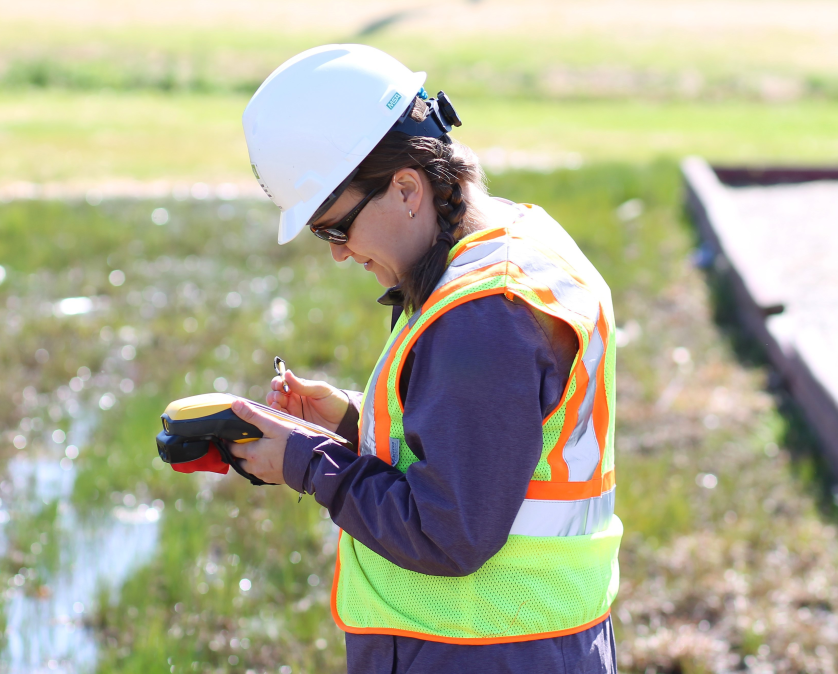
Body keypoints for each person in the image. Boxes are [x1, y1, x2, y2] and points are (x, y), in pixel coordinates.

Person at [228, 44, 620, 674]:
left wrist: (307, 463)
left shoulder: (484, 317)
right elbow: (498, 450)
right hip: (526, 645)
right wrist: (354, 425)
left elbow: (448, 530)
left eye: (335, 228)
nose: (336, 253)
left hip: (483, 652)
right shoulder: (511, 248)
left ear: (406, 189)